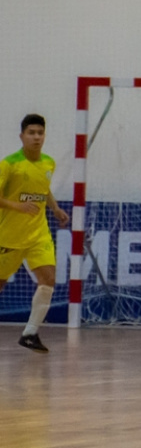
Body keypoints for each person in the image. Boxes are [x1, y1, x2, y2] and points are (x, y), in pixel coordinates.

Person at [0, 114, 70, 353]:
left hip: (39, 234)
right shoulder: (9, 164)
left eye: (40, 133)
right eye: (31, 133)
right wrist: (16, 206)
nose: (36, 137)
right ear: (22, 136)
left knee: (48, 279)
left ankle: (30, 333)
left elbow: (43, 189)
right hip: (9, 235)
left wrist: (56, 208)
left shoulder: (49, 162)